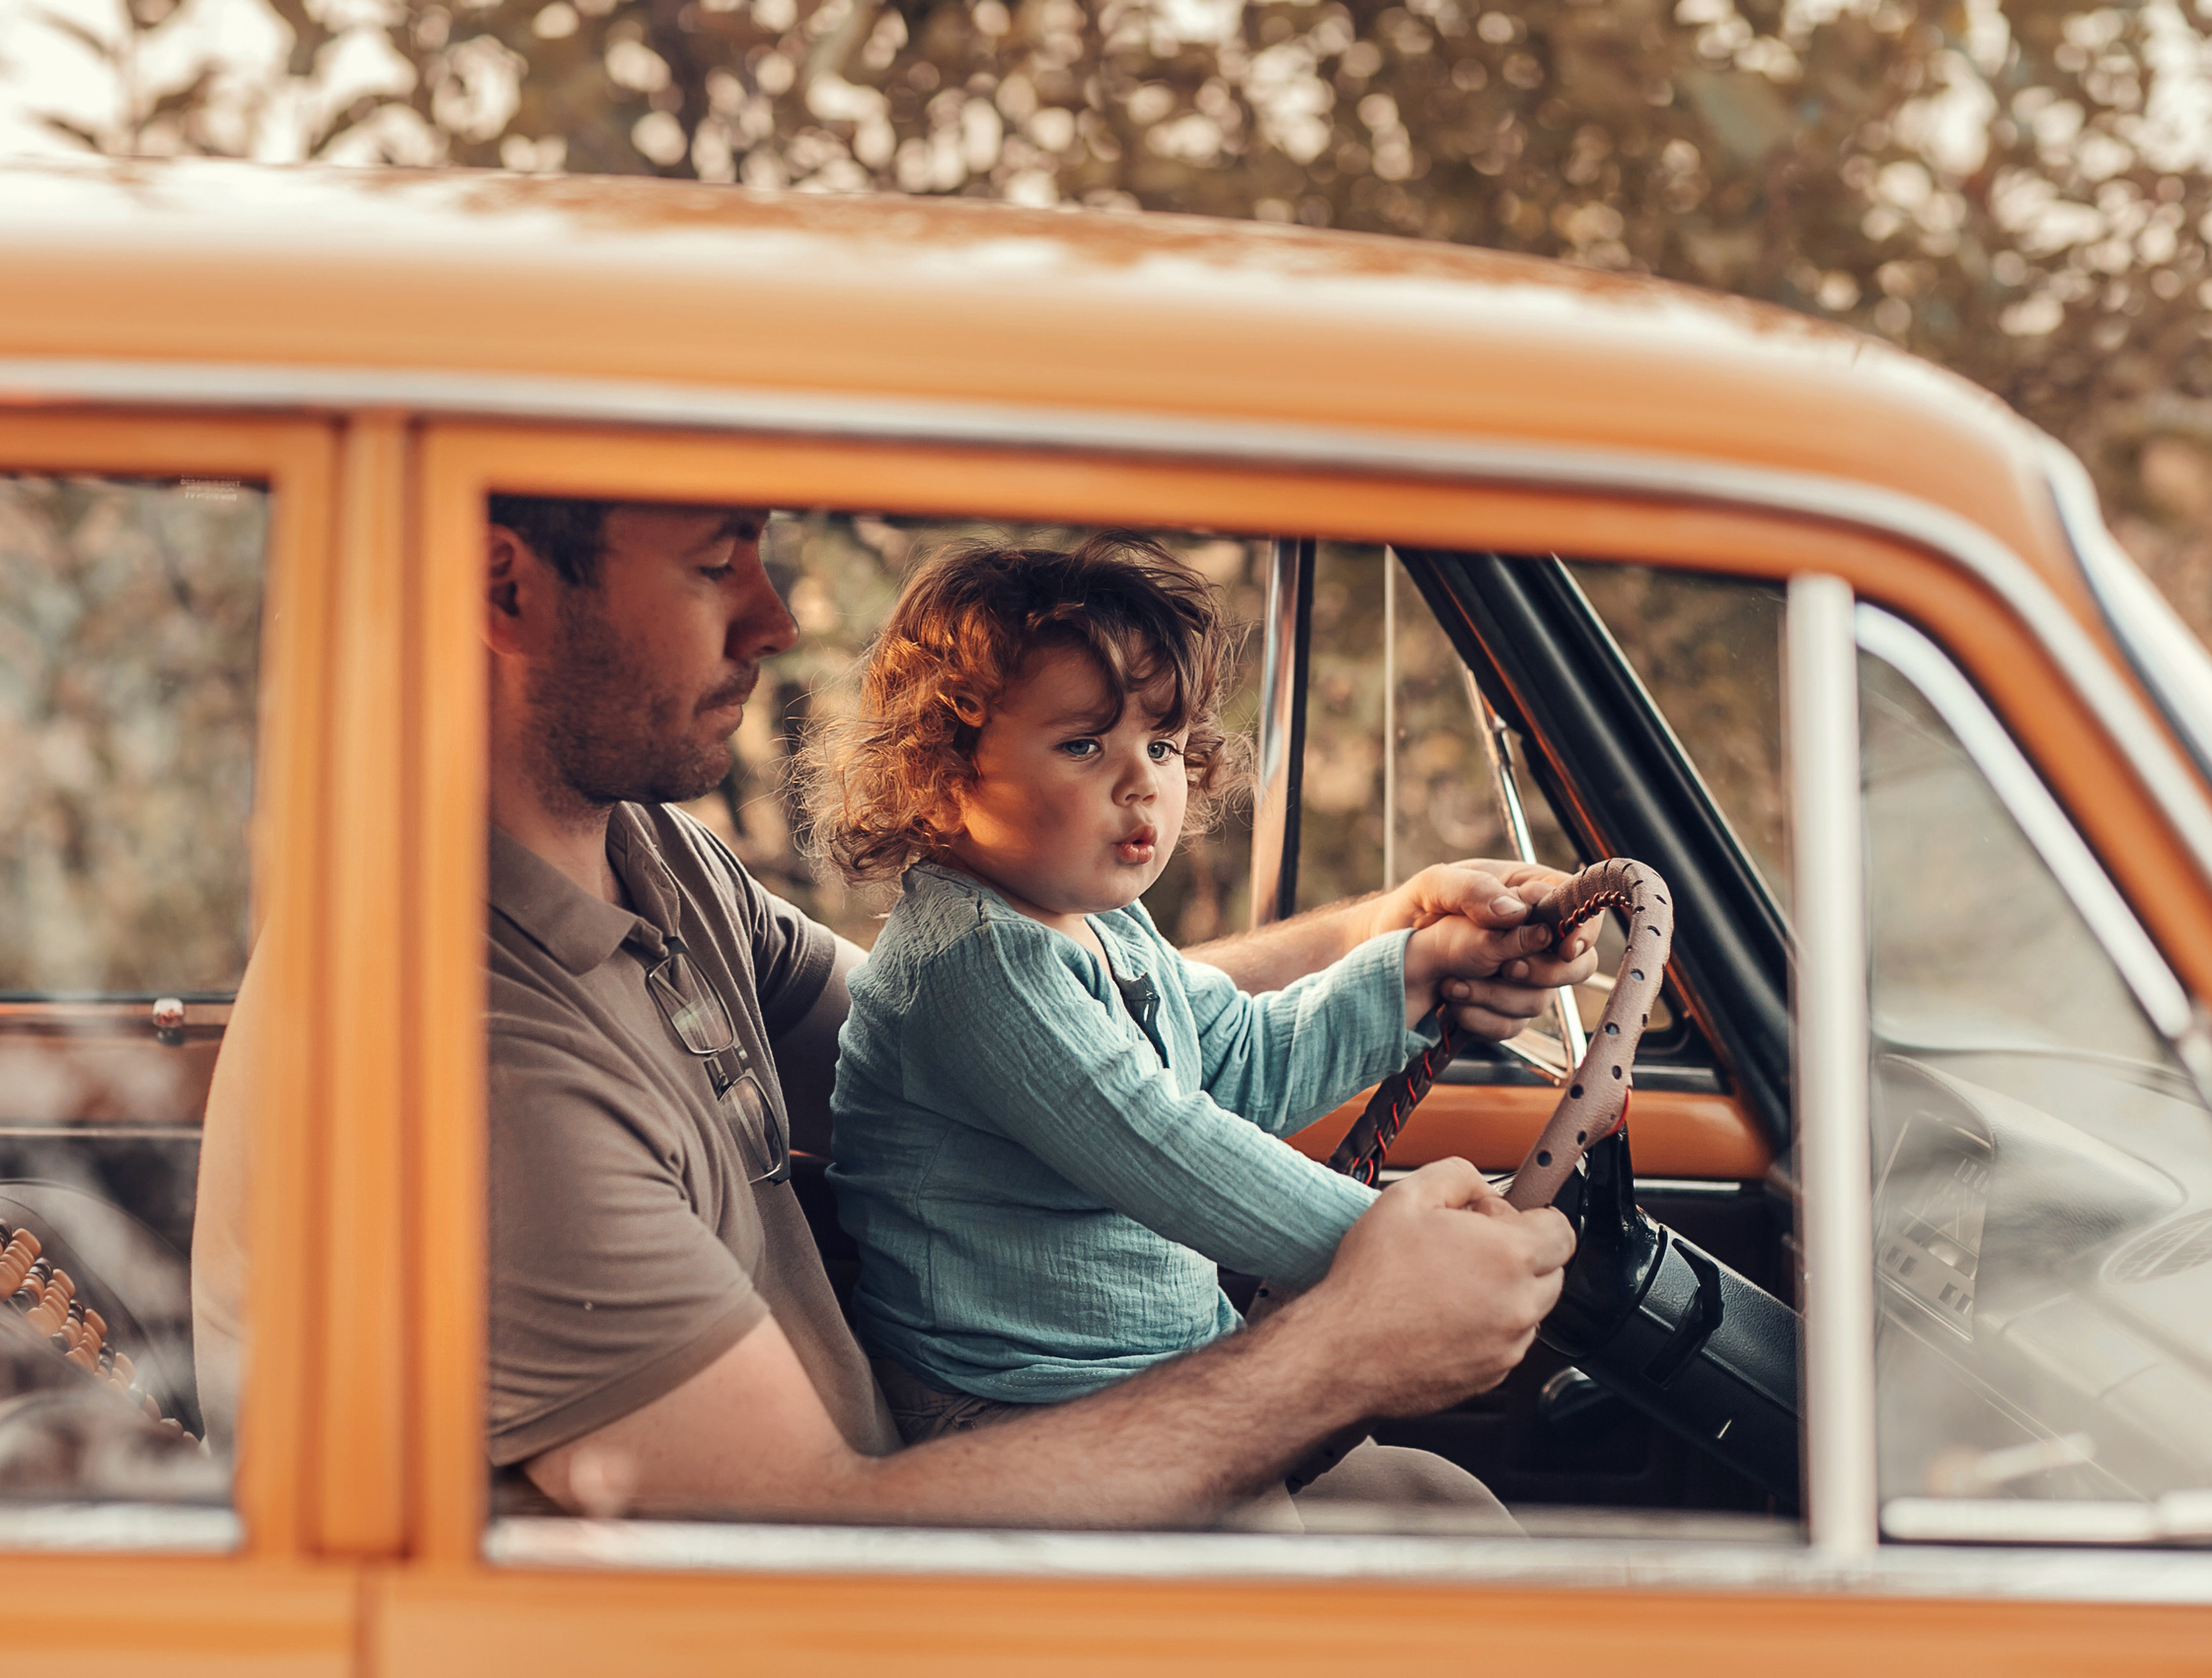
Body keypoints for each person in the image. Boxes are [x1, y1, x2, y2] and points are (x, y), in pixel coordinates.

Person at [191, 496, 1596, 1528]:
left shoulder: (648, 862)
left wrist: (1389, 946)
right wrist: (1353, 1331)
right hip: (878, 1558)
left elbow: (1060, 1048)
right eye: (714, 563)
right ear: (507, 588)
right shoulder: (469, 1058)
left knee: (1447, 1517)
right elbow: (805, 1546)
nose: (778, 619)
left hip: (933, 1484)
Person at [805, 536, 1563, 1487]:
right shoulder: (974, 964)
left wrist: (1419, 967)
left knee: (1443, 1498)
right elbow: (1173, 1153)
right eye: (1084, 745)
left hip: (1155, 1371)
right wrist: (1409, 1251)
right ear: (944, 774)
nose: (1143, 782)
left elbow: (1238, 1063)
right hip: (1016, 1409)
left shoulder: (1104, 925)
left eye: (1161, 746)